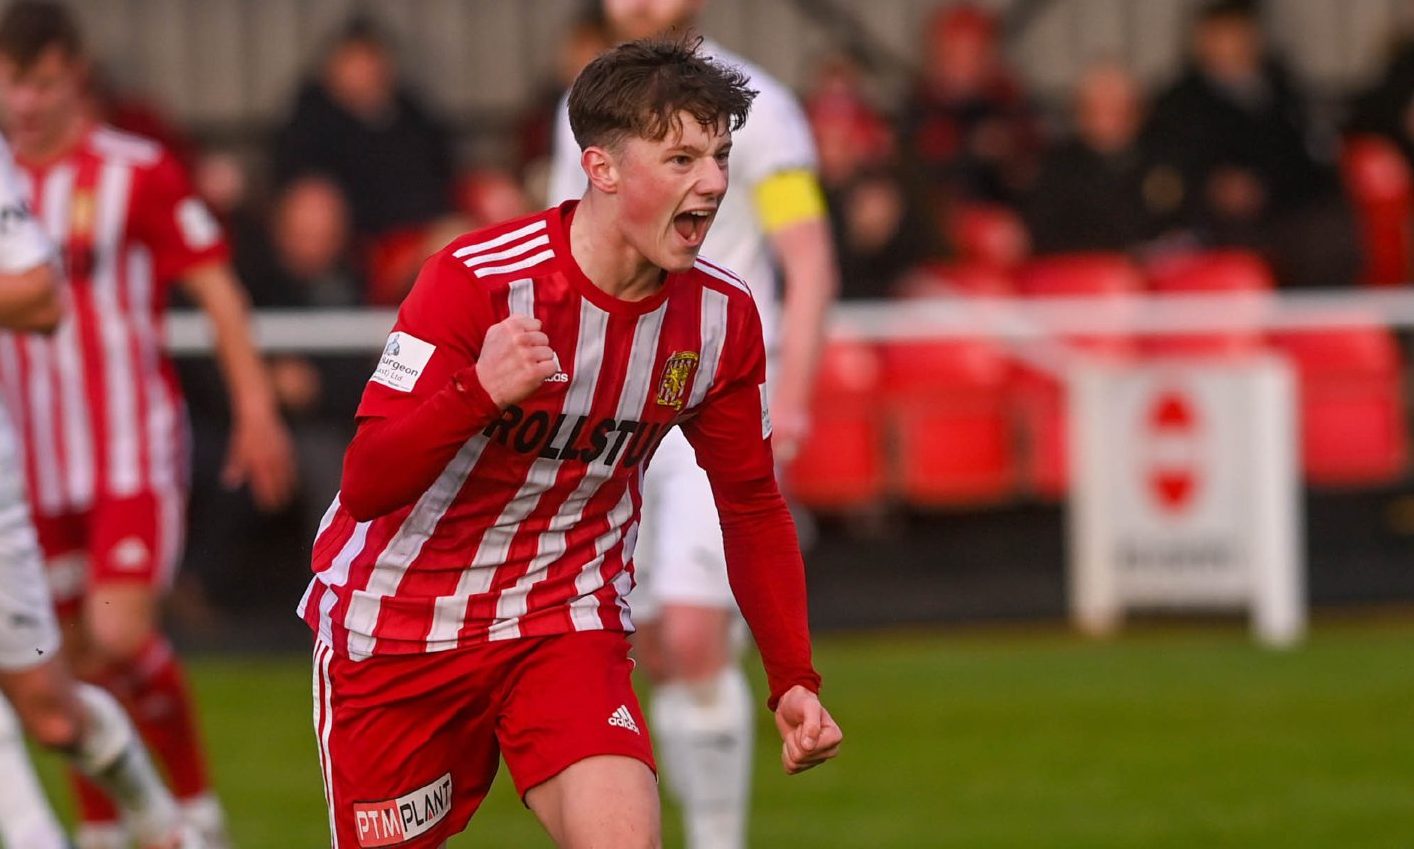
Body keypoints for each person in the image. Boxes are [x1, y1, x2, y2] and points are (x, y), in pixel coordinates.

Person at [300, 35, 842, 848]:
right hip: (401, 628)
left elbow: (753, 502)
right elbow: (370, 479)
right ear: (602, 168)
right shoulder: (475, 279)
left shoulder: (721, 319)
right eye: (683, 158)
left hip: (562, 618)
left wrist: (792, 677)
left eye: (721, 156)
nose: (715, 183)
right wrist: (477, 392)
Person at [0, 3, 297, 847]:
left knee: (119, 633)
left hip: (127, 446)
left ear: (76, 75)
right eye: (15, 83)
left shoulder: (136, 170)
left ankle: (194, 805)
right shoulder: (3, 177)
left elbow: (217, 290)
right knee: (66, 663)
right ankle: (113, 823)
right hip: (26, 463)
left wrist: (255, 407)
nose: (28, 103)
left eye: (44, 82)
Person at [547, 3, 839, 846]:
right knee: (636, 642)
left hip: (718, 392)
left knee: (693, 631)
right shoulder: (585, 107)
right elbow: (559, 248)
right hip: (614, 403)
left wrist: (796, 396)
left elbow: (809, 257)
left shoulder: (762, 108)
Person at [0, 132, 202, 849]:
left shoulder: (134, 169)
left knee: (69, 688)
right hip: (45, 457)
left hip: (112, 451)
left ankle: (171, 815)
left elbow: (38, 296)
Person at [1146, 0, 1358, 287]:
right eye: (1220, 35)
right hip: (1215, 216)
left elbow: (1308, 155)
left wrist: (1267, 185)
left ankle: (1320, 325)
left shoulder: (1283, 90)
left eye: (1238, 34)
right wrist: (1214, 186)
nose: (1231, 45)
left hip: (1286, 203)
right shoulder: (1179, 102)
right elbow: (1168, 167)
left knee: (1330, 231)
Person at [1023, 61, 1183, 255]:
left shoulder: (1165, 158)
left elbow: (1186, 221)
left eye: (1120, 109)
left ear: (1139, 112)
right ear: (1080, 113)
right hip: (1086, 273)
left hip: (1162, 275)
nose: (1108, 119)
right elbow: (1045, 233)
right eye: (1097, 109)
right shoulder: (1058, 166)